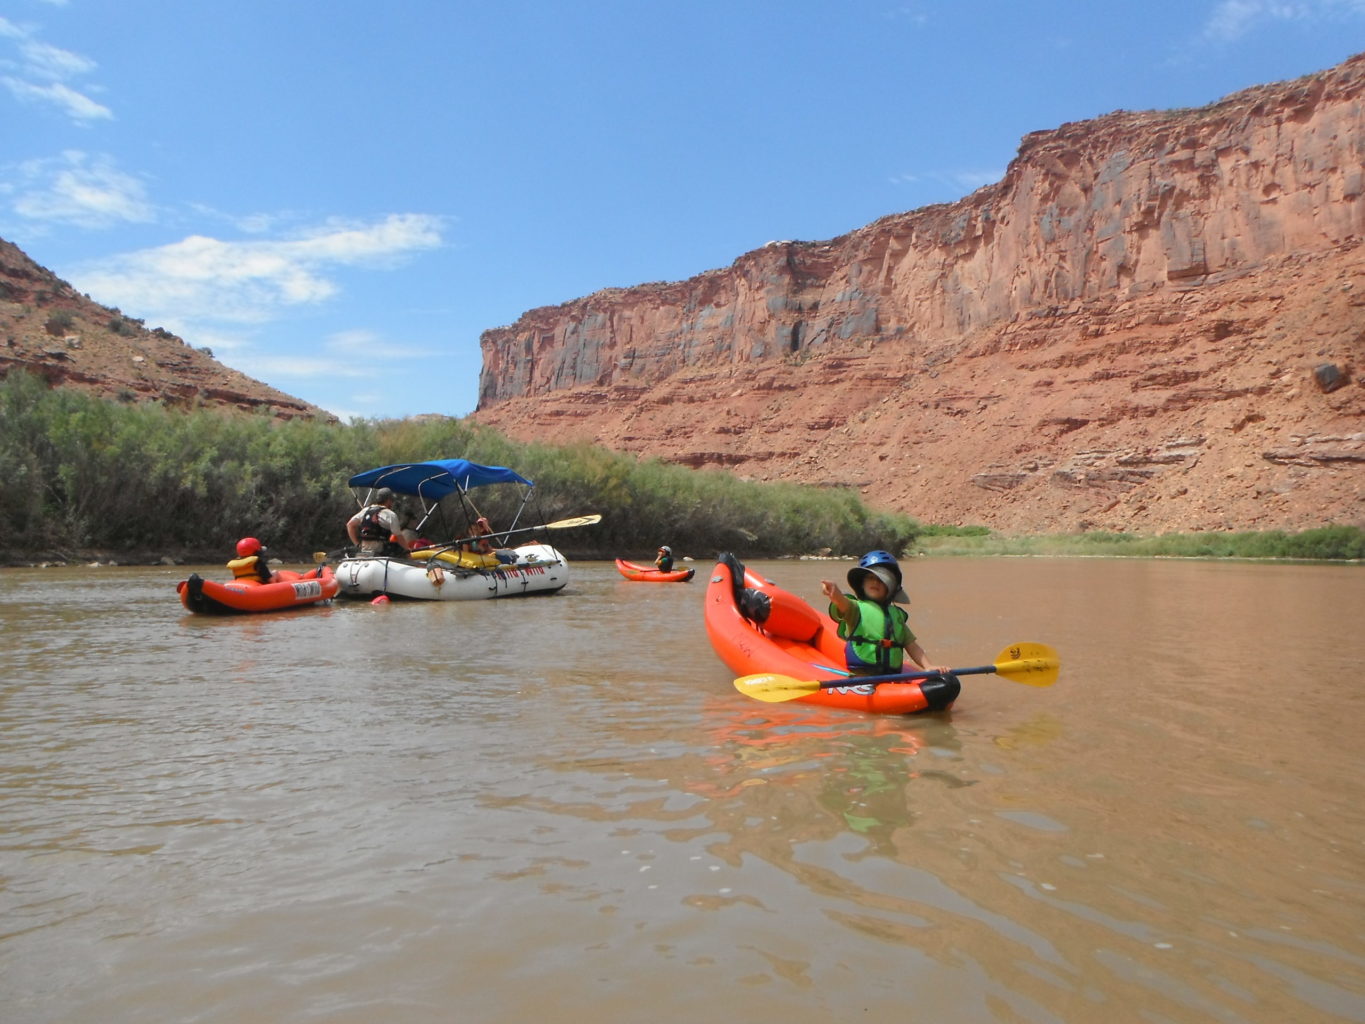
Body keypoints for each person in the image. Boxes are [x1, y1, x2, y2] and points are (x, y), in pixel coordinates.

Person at [819, 550, 951, 677]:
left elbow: (912, 645)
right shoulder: (856, 609)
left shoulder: (896, 616)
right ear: (861, 584)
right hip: (863, 674)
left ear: (890, 587)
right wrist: (834, 592)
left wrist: (928, 666)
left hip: (891, 675)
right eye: (870, 577)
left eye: (881, 579)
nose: (875, 582)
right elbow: (842, 602)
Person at [346, 487, 412, 557]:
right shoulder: (390, 514)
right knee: (400, 551)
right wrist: (408, 551)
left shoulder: (365, 511)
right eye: (391, 501)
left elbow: (349, 525)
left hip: (364, 550)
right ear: (389, 500)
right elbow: (399, 537)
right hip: (379, 551)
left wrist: (357, 544)